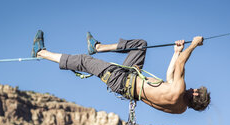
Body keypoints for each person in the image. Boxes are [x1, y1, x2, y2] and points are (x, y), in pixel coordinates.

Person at [31, 30, 210, 115]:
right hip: (130, 80)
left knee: (84, 62)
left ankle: (41, 52)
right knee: (141, 45)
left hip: (122, 80)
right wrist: (176, 52)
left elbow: (180, 65)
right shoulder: (180, 108)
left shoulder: (180, 91)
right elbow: (170, 78)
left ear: (195, 94)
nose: (193, 87)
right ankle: (98, 47)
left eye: (195, 89)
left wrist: (194, 44)